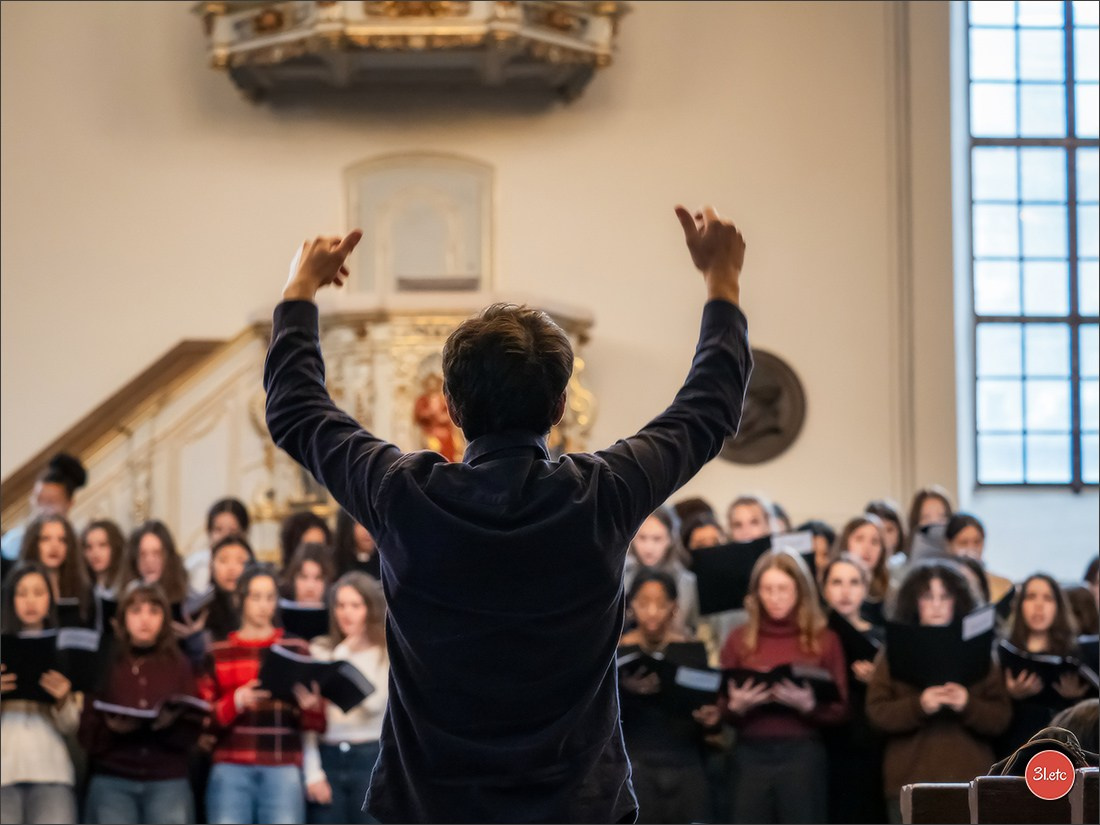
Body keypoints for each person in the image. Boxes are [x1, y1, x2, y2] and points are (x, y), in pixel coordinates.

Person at [263, 205, 750, 823]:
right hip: (574, 808)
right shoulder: (602, 494)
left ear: (452, 407)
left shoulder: (403, 494)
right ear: (560, 406)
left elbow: (298, 411)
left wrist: (300, 291)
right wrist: (721, 283)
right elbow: (708, 409)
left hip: (435, 807)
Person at [866, 559, 1011, 823]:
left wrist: (967, 704)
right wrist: (919, 705)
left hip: (970, 781)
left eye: (944, 597)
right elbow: (876, 712)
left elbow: (1000, 718)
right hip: (909, 781)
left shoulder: (982, 653)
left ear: (958, 601)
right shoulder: (892, 653)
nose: (935, 605)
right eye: (926, 596)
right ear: (913, 602)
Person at [718, 549, 848, 824]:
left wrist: (809, 706)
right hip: (749, 753)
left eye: (783, 589)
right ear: (756, 594)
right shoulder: (738, 639)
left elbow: (841, 708)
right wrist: (736, 706)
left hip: (802, 753)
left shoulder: (823, 639)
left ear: (800, 591)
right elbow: (720, 706)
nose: (775, 598)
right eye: (767, 590)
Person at [199, 564, 324, 824]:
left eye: (270, 597)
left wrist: (310, 706)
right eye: (255, 597)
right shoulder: (219, 651)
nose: (263, 605)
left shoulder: (295, 649)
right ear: (240, 599)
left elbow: (317, 722)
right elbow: (202, 719)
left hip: (282, 762)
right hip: (231, 764)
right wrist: (236, 701)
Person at [79, 581, 204, 824]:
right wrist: (112, 729)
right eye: (136, 611)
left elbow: (194, 727)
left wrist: (171, 724)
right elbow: (86, 730)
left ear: (164, 619)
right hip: (113, 778)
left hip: (166, 777)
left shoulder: (179, 664)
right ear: (122, 618)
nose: (144, 620)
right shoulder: (107, 662)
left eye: (153, 611)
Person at [617, 569, 716, 825]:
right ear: (630, 605)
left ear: (674, 607)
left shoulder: (691, 651)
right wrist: (623, 688)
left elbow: (707, 703)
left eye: (660, 604)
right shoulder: (617, 651)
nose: (651, 612)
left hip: (685, 761)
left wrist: (710, 715)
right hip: (636, 765)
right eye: (643, 603)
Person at [303, 572, 389, 825]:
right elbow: (309, 722)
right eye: (340, 605)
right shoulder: (320, 650)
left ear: (369, 609)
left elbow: (376, 706)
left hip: (369, 758)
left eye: (355, 605)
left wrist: (342, 659)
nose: (346, 613)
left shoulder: (383, 652)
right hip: (328, 756)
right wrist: (312, 773)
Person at [0, 562, 81, 824]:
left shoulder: (65, 649)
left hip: (51, 771)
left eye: (38, 592)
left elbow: (72, 726)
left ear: (50, 598)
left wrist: (63, 699)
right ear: (10, 599)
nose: (30, 601)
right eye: (21, 593)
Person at [818, 554, 887, 824]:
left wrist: (878, 681)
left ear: (866, 587)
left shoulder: (882, 637)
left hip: (870, 745)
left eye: (854, 582)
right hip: (827, 744)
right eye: (837, 582)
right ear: (824, 588)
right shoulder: (815, 635)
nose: (845, 591)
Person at [998, 573, 1093, 754]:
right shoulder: (1003, 652)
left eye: (1047, 598)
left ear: (1058, 606)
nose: (1039, 606)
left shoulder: (1075, 654)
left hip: (1064, 750)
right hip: (1013, 749)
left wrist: (1075, 699)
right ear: (1019, 605)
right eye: (1031, 597)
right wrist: (1009, 694)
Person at [623, 508, 700, 634]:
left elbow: (690, 628)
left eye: (657, 539)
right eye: (642, 538)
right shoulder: (621, 577)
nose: (649, 548)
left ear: (670, 539)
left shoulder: (686, 581)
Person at [1, 454, 87, 562]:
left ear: (69, 504)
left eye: (51, 502)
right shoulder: (14, 542)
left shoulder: (80, 544)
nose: (42, 509)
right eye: (38, 500)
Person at [17, 514, 93, 626]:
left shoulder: (82, 587)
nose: (54, 546)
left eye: (62, 540)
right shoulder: (16, 586)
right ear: (34, 544)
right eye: (45, 539)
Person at [943, 513, 1013, 604]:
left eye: (977, 542)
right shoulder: (940, 587)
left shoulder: (1003, 586)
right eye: (963, 543)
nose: (971, 548)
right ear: (949, 545)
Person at [185, 498, 250, 594]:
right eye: (218, 529)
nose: (225, 536)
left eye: (232, 530)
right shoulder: (196, 564)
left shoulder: (251, 565)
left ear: (244, 533)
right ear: (209, 531)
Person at [81, 520, 127, 599]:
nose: (95, 553)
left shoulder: (126, 588)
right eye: (89, 547)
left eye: (102, 545)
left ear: (115, 547)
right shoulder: (83, 589)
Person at [332, 510, 380, 580]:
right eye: (361, 524)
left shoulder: (386, 565)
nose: (367, 531)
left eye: (372, 523)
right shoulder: (335, 564)